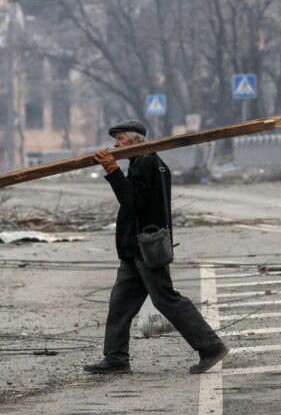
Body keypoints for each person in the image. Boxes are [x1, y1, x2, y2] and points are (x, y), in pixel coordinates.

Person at [83, 119, 228, 375]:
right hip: (136, 248)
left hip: (145, 248)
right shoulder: (147, 161)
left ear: (136, 140)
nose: (115, 144)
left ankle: (211, 347)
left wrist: (112, 170)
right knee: (120, 304)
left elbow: (133, 202)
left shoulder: (147, 162)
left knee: (166, 299)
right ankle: (116, 359)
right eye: (115, 139)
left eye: (121, 139)